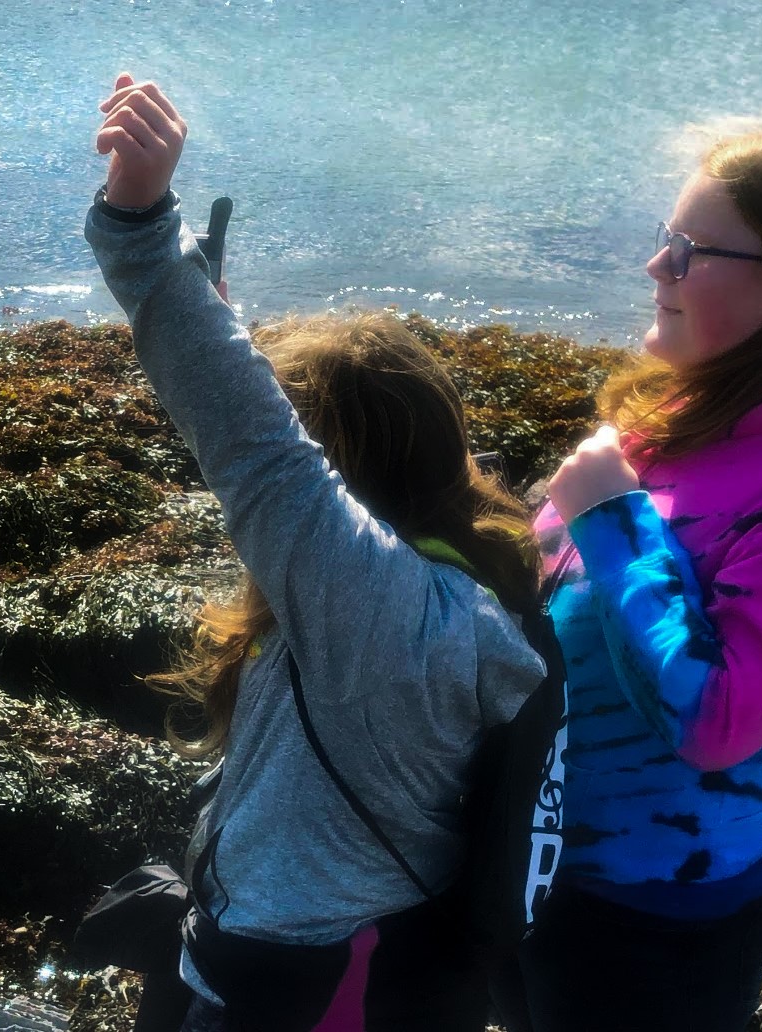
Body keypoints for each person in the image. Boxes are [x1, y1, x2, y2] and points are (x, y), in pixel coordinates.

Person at [85, 73, 547, 1031]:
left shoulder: (367, 600)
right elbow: (274, 431)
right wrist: (215, 307)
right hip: (378, 960)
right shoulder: (459, 583)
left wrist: (139, 229)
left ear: (332, 471)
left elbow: (252, 438)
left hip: (294, 988)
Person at [499, 124, 762, 1031]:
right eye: (664, 239)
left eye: (686, 251)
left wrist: (609, 518)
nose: (652, 266)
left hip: (659, 916)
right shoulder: (693, 412)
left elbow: (719, 723)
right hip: (536, 861)